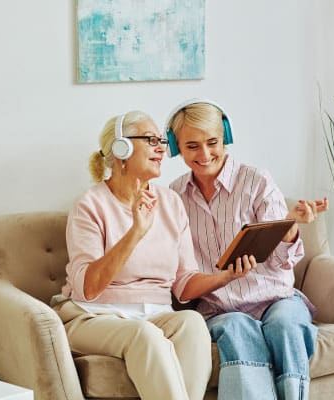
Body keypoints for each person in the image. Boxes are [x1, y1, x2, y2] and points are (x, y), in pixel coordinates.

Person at [53, 110, 257, 400]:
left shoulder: (171, 202)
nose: (162, 148)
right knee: (144, 335)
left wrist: (226, 276)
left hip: (157, 314)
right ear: (121, 148)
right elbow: (88, 289)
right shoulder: (90, 205)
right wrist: (136, 231)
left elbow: (184, 284)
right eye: (151, 140)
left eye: (162, 140)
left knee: (192, 324)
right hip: (94, 316)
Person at [165, 99, 329, 400]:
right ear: (176, 147)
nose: (204, 154)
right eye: (192, 146)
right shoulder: (174, 196)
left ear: (225, 136)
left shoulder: (257, 181)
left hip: (275, 298)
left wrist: (290, 225)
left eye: (212, 142)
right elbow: (178, 279)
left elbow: (282, 262)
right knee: (238, 328)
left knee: (285, 325)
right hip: (218, 308)